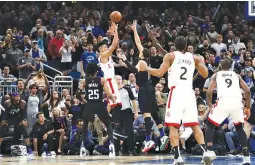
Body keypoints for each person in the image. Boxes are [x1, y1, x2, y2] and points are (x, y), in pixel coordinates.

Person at [139, 36, 215, 165]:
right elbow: (205, 74)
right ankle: (205, 152)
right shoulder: (194, 57)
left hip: (176, 92)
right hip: (189, 93)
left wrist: (146, 68)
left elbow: (158, 73)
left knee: (173, 126)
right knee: (194, 125)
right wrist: (201, 61)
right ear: (186, 46)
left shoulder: (170, 56)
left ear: (175, 45)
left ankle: (177, 157)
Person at [120, 20, 168, 153]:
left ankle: (148, 139)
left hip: (144, 90)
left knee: (146, 114)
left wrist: (124, 60)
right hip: (150, 88)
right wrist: (135, 30)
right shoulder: (145, 56)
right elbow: (138, 43)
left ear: (142, 54)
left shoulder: (141, 62)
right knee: (153, 112)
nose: (139, 50)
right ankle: (163, 136)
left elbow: (134, 71)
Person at [206, 58, 251, 165]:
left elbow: (209, 91)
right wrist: (247, 107)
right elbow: (248, 91)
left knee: (210, 124)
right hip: (237, 101)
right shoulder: (237, 75)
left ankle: (209, 151)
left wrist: (209, 104)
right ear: (231, 67)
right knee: (240, 128)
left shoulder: (216, 75)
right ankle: (246, 158)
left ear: (221, 66)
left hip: (223, 100)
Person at [75, 63, 116, 157]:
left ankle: (82, 147)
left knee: (85, 124)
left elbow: (77, 95)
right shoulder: (102, 80)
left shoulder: (84, 81)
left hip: (89, 104)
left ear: (88, 71)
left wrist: (83, 101)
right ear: (96, 71)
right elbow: (109, 94)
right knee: (108, 123)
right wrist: (112, 98)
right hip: (99, 104)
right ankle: (112, 145)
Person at [97, 22, 122, 108]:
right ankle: (107, 120)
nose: (106, 47)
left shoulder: (108, 56)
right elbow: (114, 45)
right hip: (108, 82)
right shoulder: (103, 55)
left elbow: (115, 44)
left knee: (116, 104)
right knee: (112, 104)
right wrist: (116, 30)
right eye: (104, 46)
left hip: (112, 80)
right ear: (100, 49)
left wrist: (113, 34)